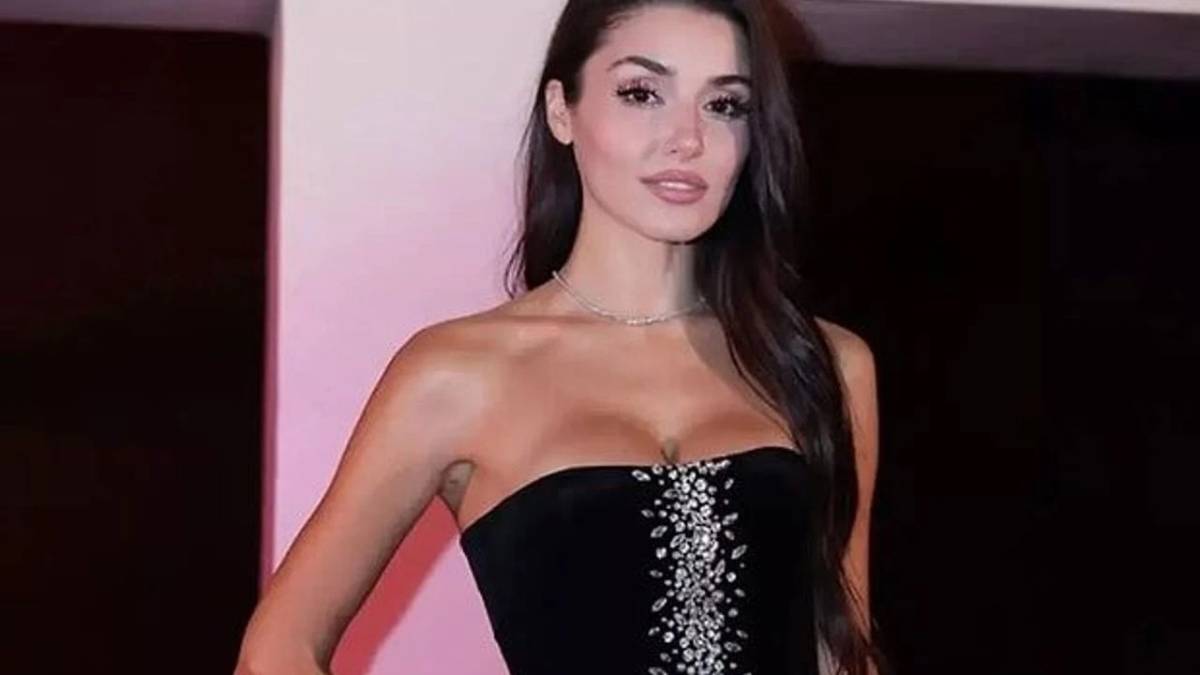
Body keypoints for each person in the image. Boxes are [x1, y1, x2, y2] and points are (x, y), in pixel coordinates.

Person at [236, 0, 887, 673]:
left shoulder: (825, 364)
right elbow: (276, 648)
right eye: (642, 93)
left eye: (725, 105)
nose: (687, 138)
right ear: (561, 111)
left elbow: (843, 652)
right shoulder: (458, 374)